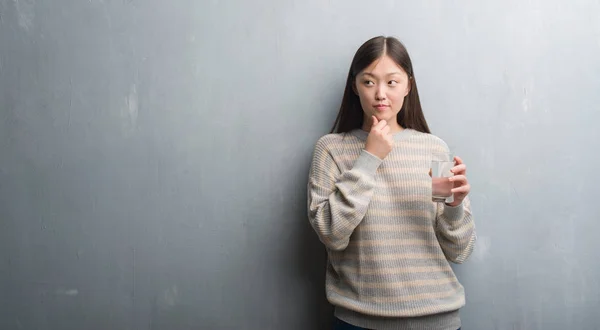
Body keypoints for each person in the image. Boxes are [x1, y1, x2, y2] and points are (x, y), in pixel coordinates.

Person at [307, 36, 476, 330]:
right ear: (354, 86)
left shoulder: (434, 149)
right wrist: (369, 157)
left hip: (436, 319)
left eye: (392, 82)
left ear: (408, 86)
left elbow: (459, 250)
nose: (380, 94)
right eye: (369, 82)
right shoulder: (331, 150)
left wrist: (454, 208)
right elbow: (332, 234)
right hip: (358, 320)